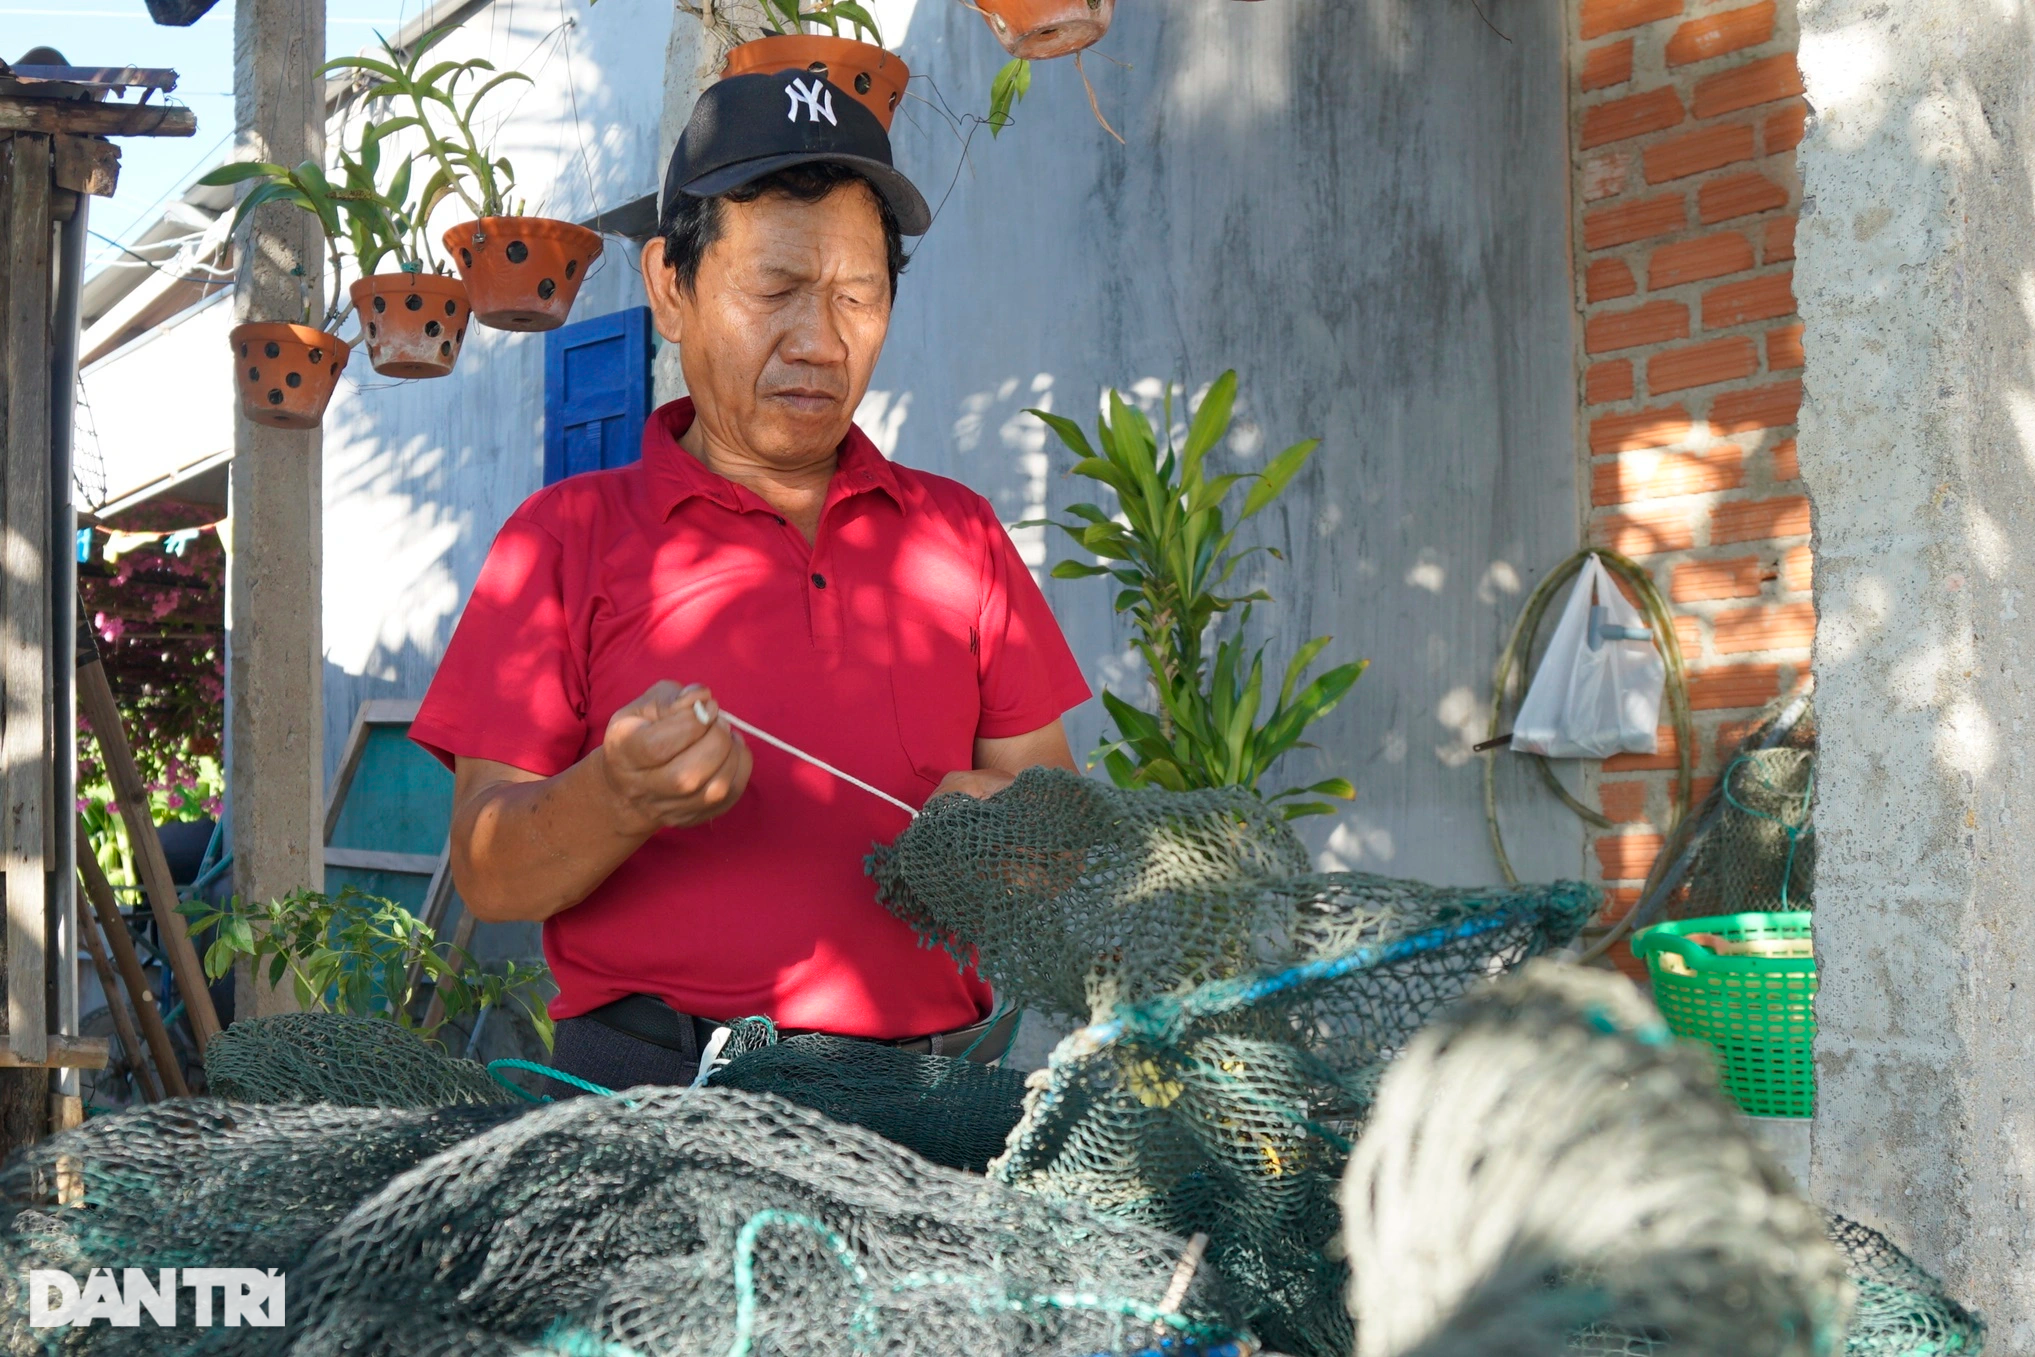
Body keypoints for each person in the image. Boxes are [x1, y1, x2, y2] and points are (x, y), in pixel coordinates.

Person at [409, 67, 1090, 1092]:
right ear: (670, 289)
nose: (818, 342)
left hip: (931, 1103)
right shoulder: (562, 542)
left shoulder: (958, 533)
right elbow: (490, 870)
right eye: (773, 291)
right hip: (651, 1097)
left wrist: (1009, 835)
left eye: (856, 296)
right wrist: (618, 794)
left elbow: (1058, 822)